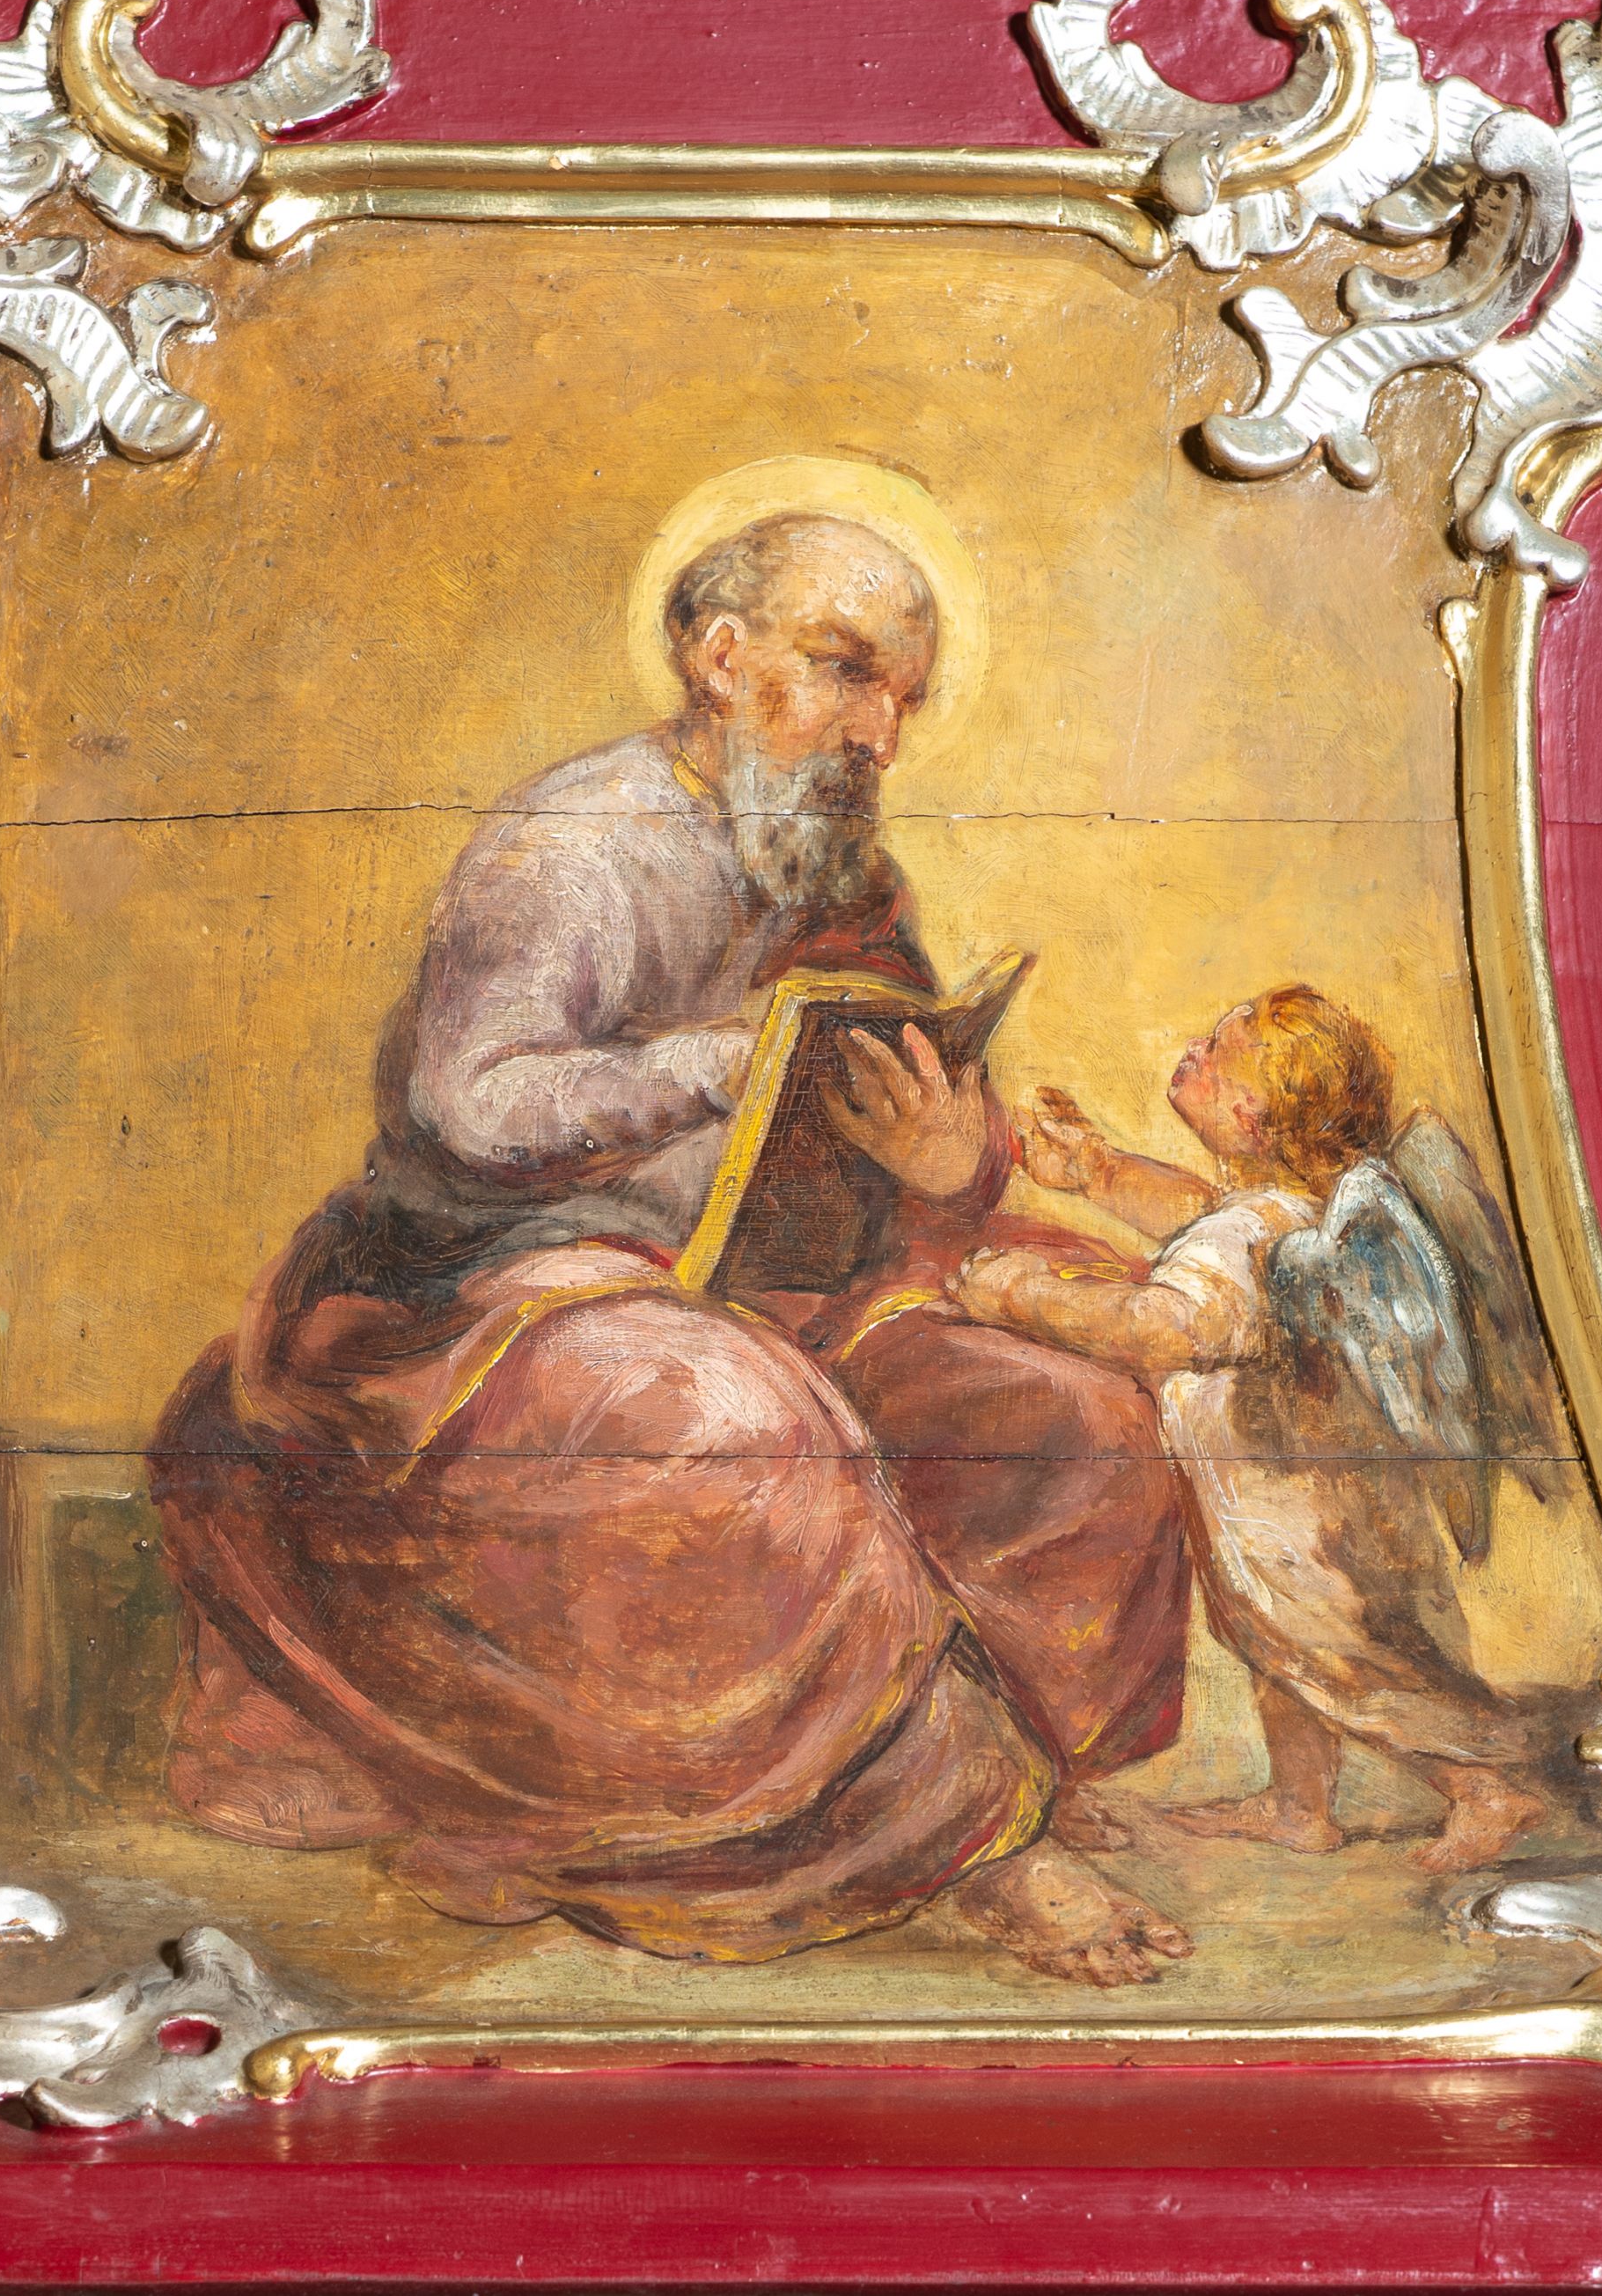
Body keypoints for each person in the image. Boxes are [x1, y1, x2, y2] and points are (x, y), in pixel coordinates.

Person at [149, 508, 1193, 1986]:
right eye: (847, 670)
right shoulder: (572, 842)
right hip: (486, 1289)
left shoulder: (836, 866)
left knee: (1072, 1412)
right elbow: (470, 1100)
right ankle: (942, 1834)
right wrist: (709, 1068)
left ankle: (1014, 1761)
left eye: (903, 697)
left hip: (766, 1280)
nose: (880, 733)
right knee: (729, 1426)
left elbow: (893, 1115)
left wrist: (950, 1154)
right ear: (719, 654)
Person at [953, 986, 1602, 1875]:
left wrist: (1021, 1295)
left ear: (1250, 1117)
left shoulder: (1256, 1235)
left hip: (1297, 1525)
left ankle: (1482, 1787)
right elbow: (1198, 1215)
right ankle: (1299, 1804)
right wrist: (1097, 1172)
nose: (1192, 1046)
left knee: (1342, 1664)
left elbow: (1165, 1326)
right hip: (1278, 1510)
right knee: (1271, 1646)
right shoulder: (1286, 1209)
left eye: (1214, 1052)